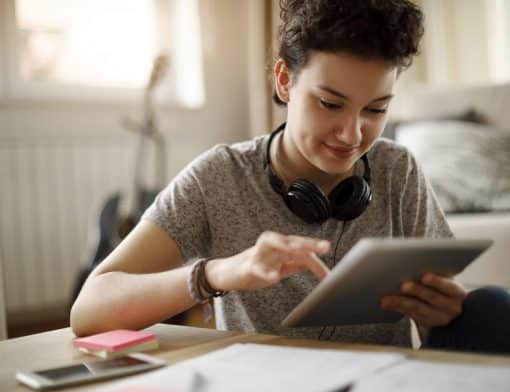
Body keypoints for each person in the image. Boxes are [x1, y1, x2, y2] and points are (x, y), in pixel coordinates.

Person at [71, 0, 510, 353]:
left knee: (491, 306)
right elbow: (89, 310)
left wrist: (445, 308)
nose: (353, 134)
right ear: (284, 81)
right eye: (330, 104)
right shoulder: (218, 176)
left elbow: (442, 321)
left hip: (377, 383)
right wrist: (217, 274)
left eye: (376, 109)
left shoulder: (399, 170)